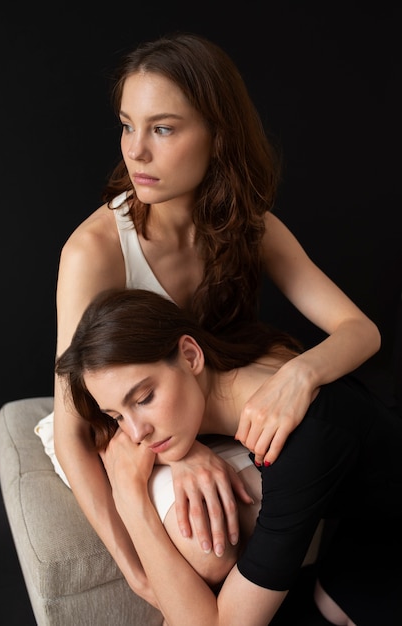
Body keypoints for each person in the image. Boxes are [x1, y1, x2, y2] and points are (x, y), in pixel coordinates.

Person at [48, 31, 381, 608]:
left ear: (218, 134)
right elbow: (75, 425)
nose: (136, 152)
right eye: (128, 125)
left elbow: (360, 330)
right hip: (115, 425)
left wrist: (301, 375)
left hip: (193, 406)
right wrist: (135, 567)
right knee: (209, 551)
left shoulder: (247, 224)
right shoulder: (94, 250)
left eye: (163, 128)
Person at [55, 288, 402, 626]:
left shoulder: (298, 442)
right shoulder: (229, 371)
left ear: (191, 356)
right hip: (364, 523)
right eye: (117, 416)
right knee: (330, 606)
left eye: (144, 398)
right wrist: (182, 454)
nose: (135, 433)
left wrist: (131, 501)